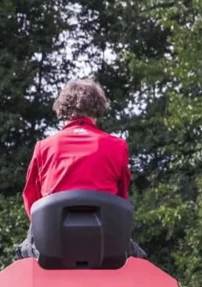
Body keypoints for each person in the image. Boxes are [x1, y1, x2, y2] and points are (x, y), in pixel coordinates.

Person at [15, 78, 146, 260]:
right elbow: (121, 196)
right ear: (98, 107)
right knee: (140, 261)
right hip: (106, 243)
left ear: (64, 108)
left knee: (20, 258)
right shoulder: (117, 147)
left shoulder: (44, 147)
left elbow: (31, 198)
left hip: (52, 245)